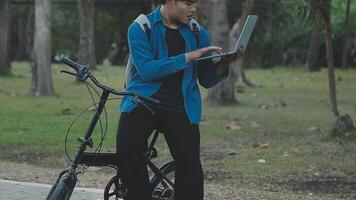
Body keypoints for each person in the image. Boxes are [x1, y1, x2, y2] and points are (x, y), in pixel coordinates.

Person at [116, 0, 243, 199]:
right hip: (142, 101)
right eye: (188, 3)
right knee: (127, 147)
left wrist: (224, 64)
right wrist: (188, 57)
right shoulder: (141, 27)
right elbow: (148, 71)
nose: (193, 9)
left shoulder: (196, 32)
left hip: (181, 105)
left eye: (195, 4)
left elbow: (206, 79)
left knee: (190, 165)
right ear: (170, 2)